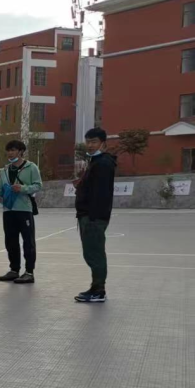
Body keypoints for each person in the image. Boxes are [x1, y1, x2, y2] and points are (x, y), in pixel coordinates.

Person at [74, 128, 116, 303]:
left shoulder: (103, 164)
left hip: (93, 217)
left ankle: (99, 290)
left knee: (94, 253)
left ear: (103, 143)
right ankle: (96, 287)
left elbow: (101, 193)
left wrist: (92, 217)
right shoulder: (95, 162)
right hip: (89, 215)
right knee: (91, 252)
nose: (90, 145)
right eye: (88, 141)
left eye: (94, 142)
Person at [0, 140, 42, 284]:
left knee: (28, 241)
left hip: (24, 209)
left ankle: (29, 272)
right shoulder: (4, 170)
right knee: (10, 241)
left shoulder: (31, 167)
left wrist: (23, 188)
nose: (10, 153)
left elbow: (38, 185)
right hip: (8, 210)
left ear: (21, 151)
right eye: (8, 150)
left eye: (13, 150)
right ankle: (14, 270)